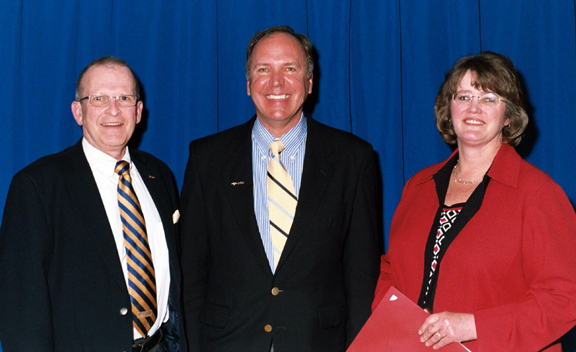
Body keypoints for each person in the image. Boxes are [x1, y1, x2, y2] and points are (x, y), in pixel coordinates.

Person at [179, 26, 381, 352]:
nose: (276, 82)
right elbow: (190, 274)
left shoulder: (353, 159)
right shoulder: (207, 159)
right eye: (263, 70)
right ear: (248, 85)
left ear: (310, 83)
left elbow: (361, 278)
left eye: (290, 68)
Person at [373, 51, 576, 351]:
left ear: (509, 116)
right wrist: (396, 323)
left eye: (489, 99)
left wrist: (471, 326)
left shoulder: (538, 193)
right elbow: (391, 272)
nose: (473, 108)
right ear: (448, 108)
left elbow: (565, 299)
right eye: (463, 96)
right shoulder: (418, 186)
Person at [0, 56, 187, 352]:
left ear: (138, 111)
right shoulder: (38, 186)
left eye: (124, 98)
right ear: (78, 111)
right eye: (99, 98)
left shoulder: (159, 175)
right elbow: (20, 305)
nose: (113, 110)